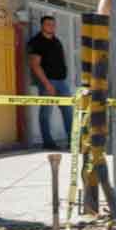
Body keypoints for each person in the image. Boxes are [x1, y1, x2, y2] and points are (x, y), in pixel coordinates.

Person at [26, 15, 74, 150]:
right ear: (42, 25)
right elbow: (35, 65)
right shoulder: (36, 42)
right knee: (46, 113)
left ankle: (73, 141)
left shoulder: (56, 41)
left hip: (61, 82)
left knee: (68, 111)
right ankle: (48, 142)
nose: (51, 27)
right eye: (48, 24)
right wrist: (47, 84)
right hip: (47, 82)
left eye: (53, 24)